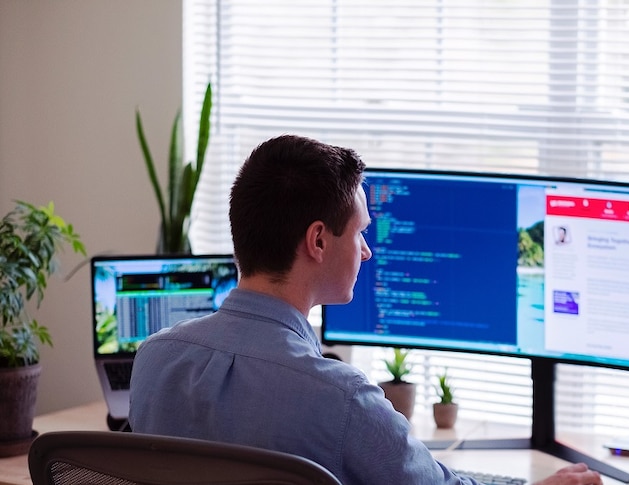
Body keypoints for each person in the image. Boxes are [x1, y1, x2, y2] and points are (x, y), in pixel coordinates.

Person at [129, 134, 603, 485]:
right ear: (317, 241)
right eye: (359, 233)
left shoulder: (154, 360)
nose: (366, 251)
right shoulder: (341, 398)